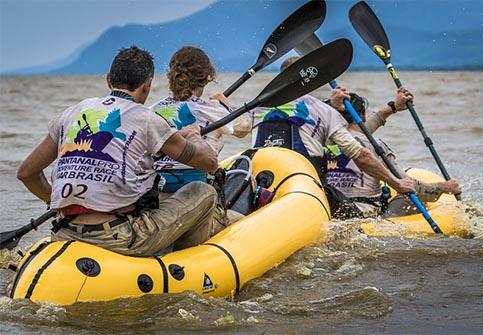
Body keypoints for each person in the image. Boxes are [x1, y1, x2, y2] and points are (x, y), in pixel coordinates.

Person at [16, 46, 229, 256]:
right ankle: (187, 261)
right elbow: (209, 162)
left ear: (109, 80)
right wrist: (193, 133)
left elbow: (26, 173)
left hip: (66, 231)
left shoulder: (73, 112)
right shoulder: (148, 119)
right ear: (147, 86)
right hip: (117, 236)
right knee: (204, 192)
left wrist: (56, 205)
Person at [249, 56, 416, 215]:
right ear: (311, 80)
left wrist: (391, 108)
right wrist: (397, 183)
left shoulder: (256, 109)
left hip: (265, 185)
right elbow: (360, 152)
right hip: (306, 191)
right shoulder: (323, 111)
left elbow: (235, 128)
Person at [324, 86, 462, 217]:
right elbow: (408, 185)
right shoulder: (376, 147)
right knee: (409, 196)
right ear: (363, 115)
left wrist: (392, 107)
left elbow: (357, 133)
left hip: (330, 207)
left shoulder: (323, 140)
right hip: (365, 213)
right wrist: (444, 187)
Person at [149, 46, 251, 193]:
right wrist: (227, 105)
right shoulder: (209, 109)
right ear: (208, 76)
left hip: (157, 185)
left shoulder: (153, 109)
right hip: (193, 187)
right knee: (217, 135)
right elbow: (243, 129)